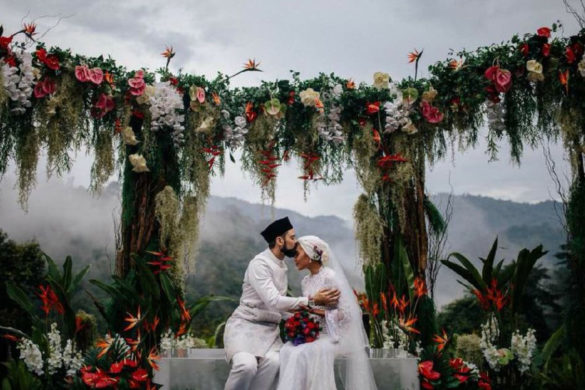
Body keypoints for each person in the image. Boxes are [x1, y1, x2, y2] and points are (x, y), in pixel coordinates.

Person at [223, 217, 341, 390]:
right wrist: (312, 300)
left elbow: (280, 309)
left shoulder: (282, 266)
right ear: (280, 241)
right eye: (292, 237)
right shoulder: (260, 264)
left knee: (275, 363)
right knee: (245, 366)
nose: (295, 242)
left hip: (270, 331)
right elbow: (274, 300)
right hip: (245, 325)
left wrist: (307, 316)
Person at [278, 235, 377, 390]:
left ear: (310, 255)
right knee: (287, 350)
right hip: (317, 334)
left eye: (297, 254)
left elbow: (348, 313)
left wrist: (318, 311)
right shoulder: (306, 281)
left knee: (302, 352)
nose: (294, 258)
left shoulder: (331, 277)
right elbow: (309, 309)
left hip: (337, 336)